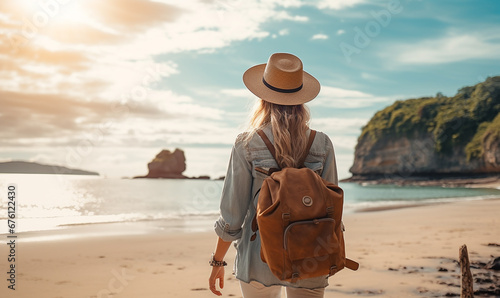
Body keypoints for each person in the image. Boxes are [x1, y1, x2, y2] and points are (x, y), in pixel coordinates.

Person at [208, 53, 338, 298]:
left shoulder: (247, 144)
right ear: (301, 100)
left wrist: (217, 262)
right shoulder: (322, 144)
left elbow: (232, 216)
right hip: (311, 252)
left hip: (259, 255)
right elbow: (333, 205)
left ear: (262, 98)